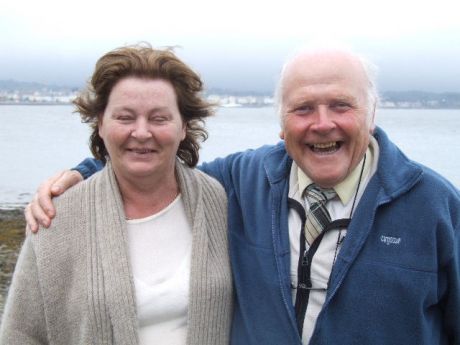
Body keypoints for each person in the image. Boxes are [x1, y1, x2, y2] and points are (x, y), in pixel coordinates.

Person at [23, 47, 460, 344]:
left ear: (373, 111)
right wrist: (81, 173)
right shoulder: (242, 180)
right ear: (281, 122)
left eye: (342, 106)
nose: (322, 123)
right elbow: (152, 162)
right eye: (303, 108)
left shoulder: (435, 206)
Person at [0, 45, 233, 344]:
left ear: (184, 126)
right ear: (100, 123)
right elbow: (21, 334)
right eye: (125, 117)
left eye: (159, 118)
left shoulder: (218, 200)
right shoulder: (56, 219)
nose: (141, 132)